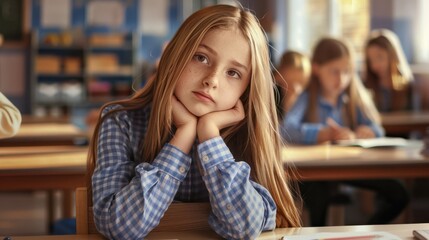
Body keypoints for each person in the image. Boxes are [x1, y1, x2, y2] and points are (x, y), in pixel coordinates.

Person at [88, 4, 301, 239]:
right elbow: (119, 227)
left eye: (233, 73)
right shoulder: (120, 123)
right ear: (175, 56)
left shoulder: (248, 132)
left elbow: (245, 226)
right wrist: (183, 136)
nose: (212, 80)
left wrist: (209, 135)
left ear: (247, 89)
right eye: (201, 58)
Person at [282, 37, 408, 226]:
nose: (341, 79)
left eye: (347, 72)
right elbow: (285, 129)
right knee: (317, 196)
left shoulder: (352, 97)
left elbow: (377, 128)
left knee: (399, 193)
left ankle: (365, 235)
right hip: (316, 171)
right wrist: (320, 133)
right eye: (334, 72)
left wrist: (368, 131)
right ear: (316, 69)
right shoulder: (307, 98)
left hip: (348, 167)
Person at [363, 28, 416, 112]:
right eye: (371, 60)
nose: (375, 65)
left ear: (392, 56)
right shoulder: (365, 86)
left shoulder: (408, 86)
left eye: (380, 57)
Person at [274, 50, 311, 118]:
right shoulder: (271, 91)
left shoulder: (304, 97)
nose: (296, 89)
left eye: (301, 83)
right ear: (278, 76)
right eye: (289, 81)